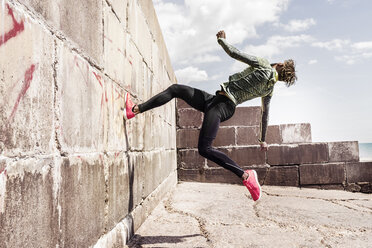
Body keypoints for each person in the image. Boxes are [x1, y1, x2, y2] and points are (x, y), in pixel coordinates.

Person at [122, 30, 297, 201]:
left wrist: (222, 40)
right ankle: (134, 110)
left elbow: (235, 53)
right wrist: (262, 139)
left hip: (222, 105)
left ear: (280, 65)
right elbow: (265, 113)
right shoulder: (269, 89)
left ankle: (245, 176)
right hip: (216, 101)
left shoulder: (264, 64)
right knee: (176, 89)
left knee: (205, 148)